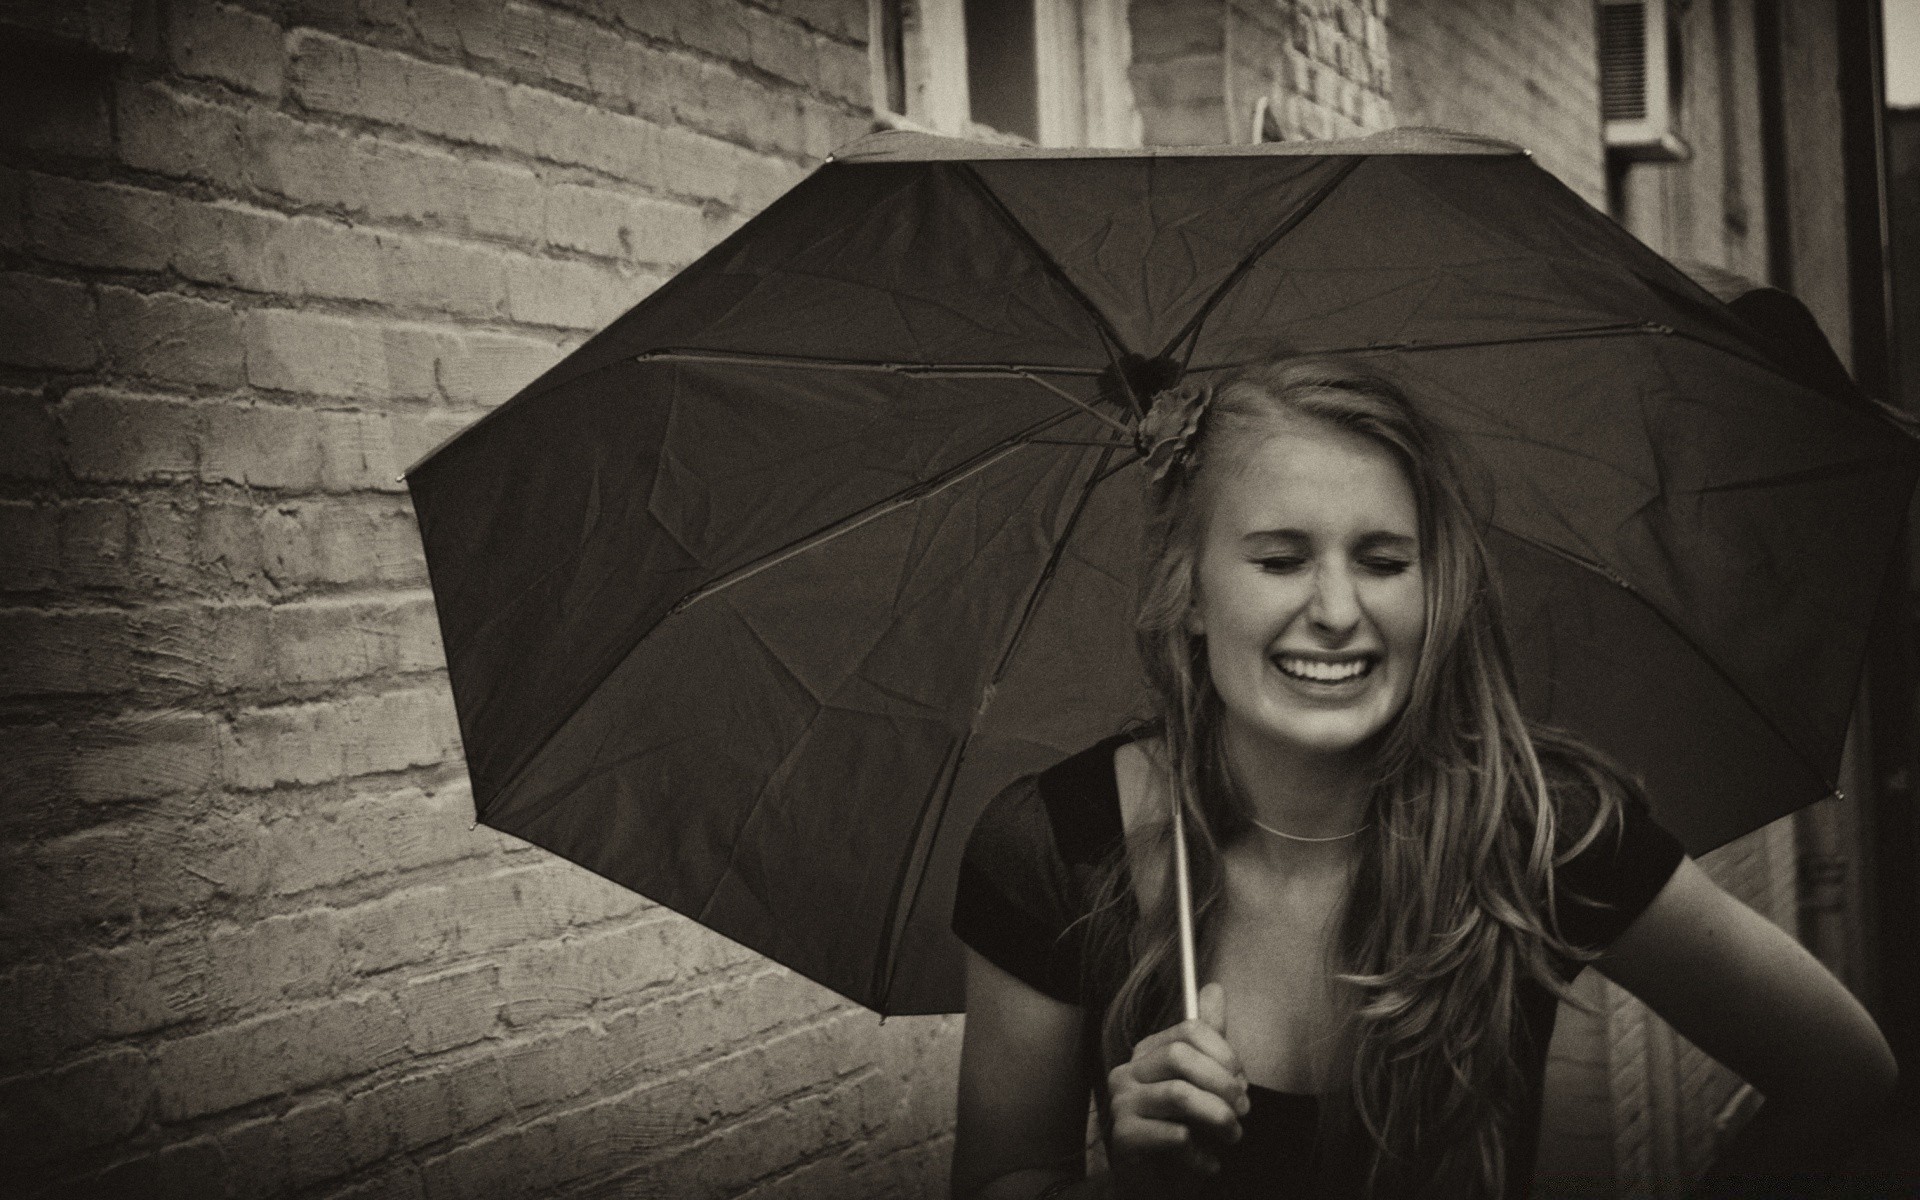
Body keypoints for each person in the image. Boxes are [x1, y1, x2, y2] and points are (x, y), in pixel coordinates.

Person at [948, 358, 1897, 1199]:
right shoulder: (1055, 847)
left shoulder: (1530, 830)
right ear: (1189, 592)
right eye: (1280, 559)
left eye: (1385, 561)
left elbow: (1842, 1073)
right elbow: (1002, 1175)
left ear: (1433, 585)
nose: (1336, 610)